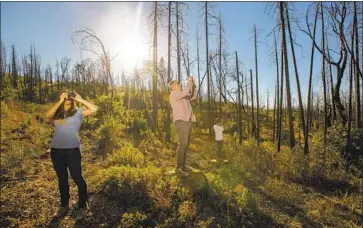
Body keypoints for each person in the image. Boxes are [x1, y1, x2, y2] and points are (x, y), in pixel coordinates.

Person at [45, 90, 98, 220]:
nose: (68, 97)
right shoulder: (58, 114)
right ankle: (64, 206)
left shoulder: (78, 112)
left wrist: (80, 99)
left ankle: (82, 206)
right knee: (62, 179)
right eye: (65, 96)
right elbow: (47, 115)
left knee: (77, 178)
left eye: (69, 96)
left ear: (73, 100)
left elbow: (94, 109)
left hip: (72, 150)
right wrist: (60, 101)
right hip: (56, 151)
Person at [169, 76, 196, 177]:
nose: (179, 84)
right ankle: (179, 168)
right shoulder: (174, 95)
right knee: (183, 144)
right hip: (181, 122)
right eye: (177, 83)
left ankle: (182, 166)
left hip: (187, 122)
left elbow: (192, 97)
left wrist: (194, 86)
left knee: (186, 144)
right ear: (173, 86)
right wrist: (189, 82)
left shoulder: (182, 96)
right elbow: (185, 92)